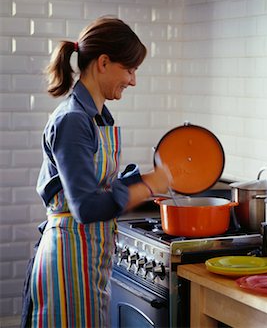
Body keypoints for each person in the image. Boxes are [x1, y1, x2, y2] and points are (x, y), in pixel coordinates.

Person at [25, 16, 170, 327]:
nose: (133, 80)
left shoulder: (97, 117)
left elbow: (95, 184)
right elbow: (86, 206)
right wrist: (144, 187)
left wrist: (140, 180)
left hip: (85, 259)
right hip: (67, 261)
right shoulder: (74, 120)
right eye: (130, 70)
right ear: (104, 62)